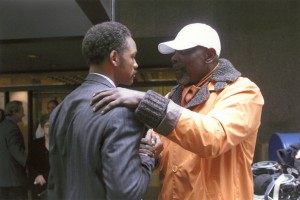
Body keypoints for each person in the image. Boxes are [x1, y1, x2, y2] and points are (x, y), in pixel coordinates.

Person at [90, 23, 265, 199]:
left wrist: (144, 99)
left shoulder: (243, 91)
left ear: (209, 55)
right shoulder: (172, 98)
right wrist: (152, 154)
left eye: (184, 51)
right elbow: (165, 156)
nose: (174, 58)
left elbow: (214, 137)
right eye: (174, 53)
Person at [47, 21, 160, 200]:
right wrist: (147, 156)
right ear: (115, 58)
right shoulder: (121, 112)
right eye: (133, 57)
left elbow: (55, 181)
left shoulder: (61, 108)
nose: (136, 64)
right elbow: (126, 193)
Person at [0, 100, 28, 200]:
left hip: (3, 181)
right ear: (14, 112)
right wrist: (32, 165)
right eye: (21, 111)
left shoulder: (2, 126)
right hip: (13, 181)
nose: (23, 114)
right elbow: (17, 153)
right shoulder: (12, 128)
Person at [28, 114, 50, 200]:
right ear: (42, 128)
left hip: (56, 184)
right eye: (47, 126)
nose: (50, 128)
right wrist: (36, 175)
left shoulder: (60, 145)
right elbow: (30, 164)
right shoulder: (35, 144)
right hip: (40, 184)